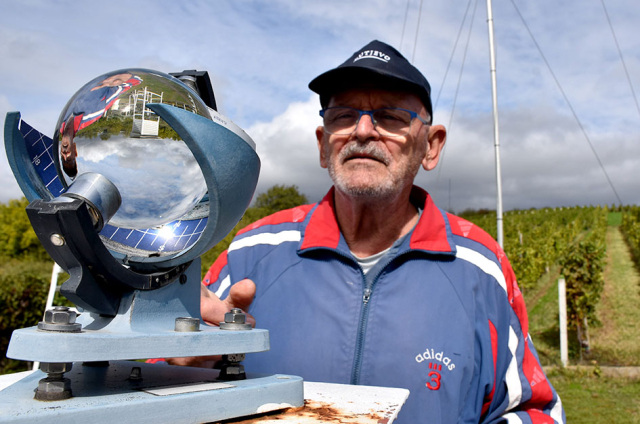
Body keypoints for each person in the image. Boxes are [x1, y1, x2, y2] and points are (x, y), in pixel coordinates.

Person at [176, 40, 565, 423]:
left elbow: (530, 410)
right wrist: (186, 369)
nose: (362, 131)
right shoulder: (253, 251)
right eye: (343, 115)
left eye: (390, 116)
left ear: (431, 146)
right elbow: (164, 375)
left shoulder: (479, 265)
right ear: (324, 145)